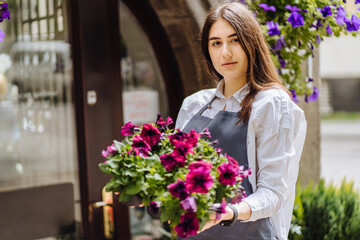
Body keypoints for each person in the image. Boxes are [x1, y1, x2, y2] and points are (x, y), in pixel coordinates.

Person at [175, 2, 307, 240]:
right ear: (208, 51)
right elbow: (176, 175)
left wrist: (229, 212)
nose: (225, 52)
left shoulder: (271, 103)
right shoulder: (193, 105)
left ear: (251, 43)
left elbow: (273, 192)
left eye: (234, 40)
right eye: (216, 43)